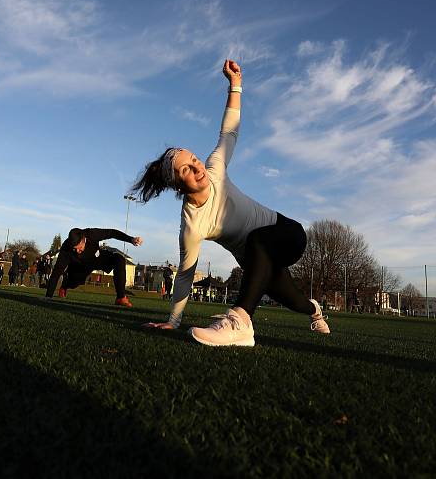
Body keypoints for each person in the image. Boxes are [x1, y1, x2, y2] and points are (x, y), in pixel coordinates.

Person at [132, 60, 330, 346]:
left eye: (194, 160)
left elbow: (229, 133)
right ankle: (315, 310)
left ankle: (240, 323)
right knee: (295, 300)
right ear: (177, 184)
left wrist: (235, 85)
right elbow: (186, 275)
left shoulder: (215, 170)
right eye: (186, 169)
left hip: (286, 234)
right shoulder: (192, 224)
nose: (197, 168)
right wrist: (173, 320)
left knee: (257, 240)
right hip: (257, 262)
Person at [45, 227, 142, 307]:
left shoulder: (91, 234)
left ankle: (121, 297)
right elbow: (57, 271)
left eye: (79, 248)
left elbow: (112, 233)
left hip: (97, 258)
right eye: (75, 249)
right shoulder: (66, 248)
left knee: (119, 259)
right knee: (74, 283)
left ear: (84, 239)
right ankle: (65, 286)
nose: (77, 251)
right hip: (80, 266)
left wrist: (131, 239)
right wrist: (48, 296)